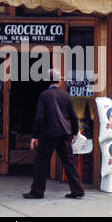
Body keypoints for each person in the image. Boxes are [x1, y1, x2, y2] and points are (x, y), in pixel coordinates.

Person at [23, 69, 85, 199]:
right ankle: (78, 190)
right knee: (69, 162)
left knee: (41, 161)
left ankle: (37, 192)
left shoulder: (44, 95)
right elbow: (74, 117)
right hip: (65, 133)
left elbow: (40, 117)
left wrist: (35, 136)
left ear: (47, 81)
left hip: (49, 133)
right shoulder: (66, 95)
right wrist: (74, 132)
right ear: (59, 81)